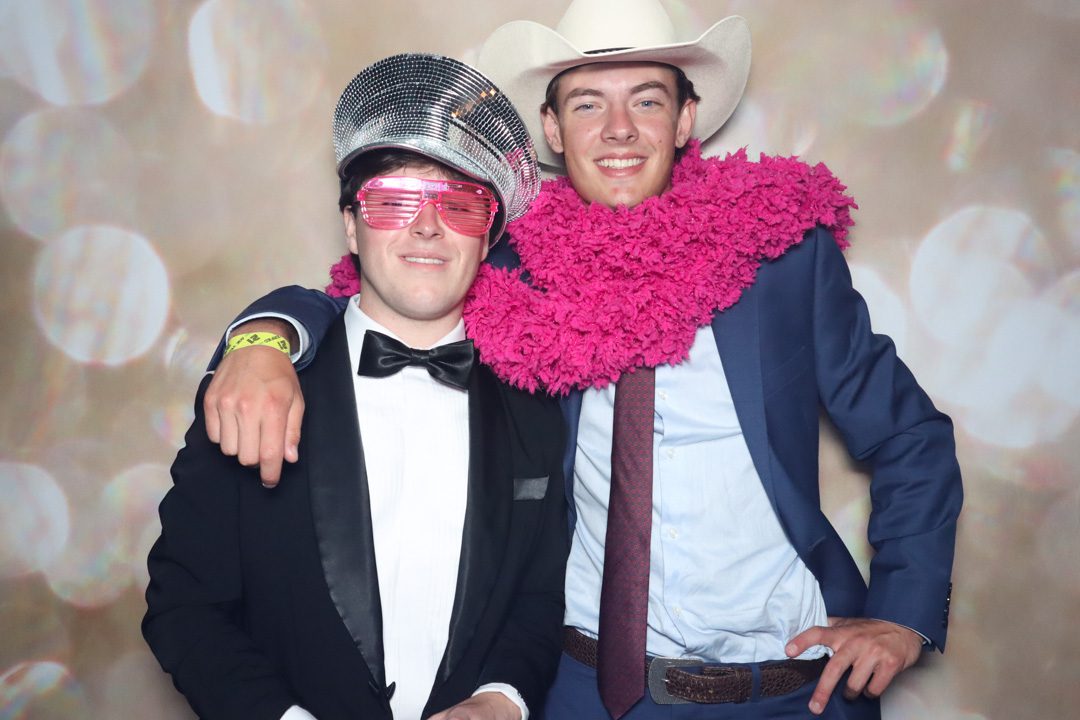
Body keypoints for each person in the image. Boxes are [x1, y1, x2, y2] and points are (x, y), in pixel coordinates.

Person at [201, 2, 963, 718]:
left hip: (789, 689)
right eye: (588, 103)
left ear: (686, 119)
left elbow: (909, 434)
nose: (619, 130)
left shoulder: (780, 258)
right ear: (554, 129)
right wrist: (262, 339)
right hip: (581, 688)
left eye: (647, 100)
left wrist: (905, 614)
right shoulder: (512, 263)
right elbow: (375, 288)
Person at [142, 53, 567, 720]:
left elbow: (538, 598)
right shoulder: (258, 383)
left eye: (459, 206)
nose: (427, 226)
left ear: (487, 239)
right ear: (351, 224)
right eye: (394, 201)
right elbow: (183, 606)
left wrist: (501, 699)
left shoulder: (533, 406)